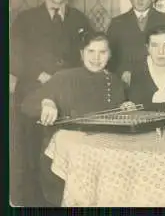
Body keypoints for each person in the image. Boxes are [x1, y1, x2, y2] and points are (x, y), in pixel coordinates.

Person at [9, 0, 92, 206]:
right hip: (31, 97)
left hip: (67, 100)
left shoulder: (80, 20)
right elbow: (13, 57)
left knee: (63, 159)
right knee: (31, 156)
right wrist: (40, 75)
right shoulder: (25, 19)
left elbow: (86, 60)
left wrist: (64, 81)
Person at [21, 31, 131, 206]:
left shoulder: (115, 82)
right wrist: (46, 102)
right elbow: (26, 105)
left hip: (102, 157)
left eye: (102, 52)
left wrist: (126, 109)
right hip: (64, 161)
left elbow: (116, 121)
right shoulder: (64, 77)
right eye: (90, 51)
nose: (96, 58)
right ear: (81, 53)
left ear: (110, 55)